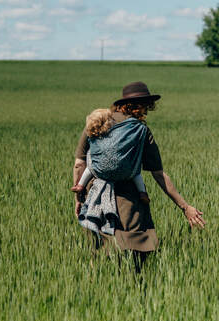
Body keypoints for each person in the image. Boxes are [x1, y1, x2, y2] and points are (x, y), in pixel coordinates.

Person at [73, 81, 205, 267]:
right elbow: (158, 174)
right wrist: (185, 207)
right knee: (136, 252)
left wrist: (80, 197)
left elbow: (79, 164)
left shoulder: (97, 122)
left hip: (95, 194)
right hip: (128, 196)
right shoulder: (140, 130)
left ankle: (100, 284)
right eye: (146, 105)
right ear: (140, 105)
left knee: (99, 248)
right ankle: (136, 285)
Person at [71, 107, 150, 204]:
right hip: (125, 174)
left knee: (90, 167)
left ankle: (80, 185)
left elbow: (78, 165)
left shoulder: (93, 138)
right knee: (136, 173)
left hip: (98, 171)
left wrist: (78, 200)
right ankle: (142, 192)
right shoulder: (114, 135)